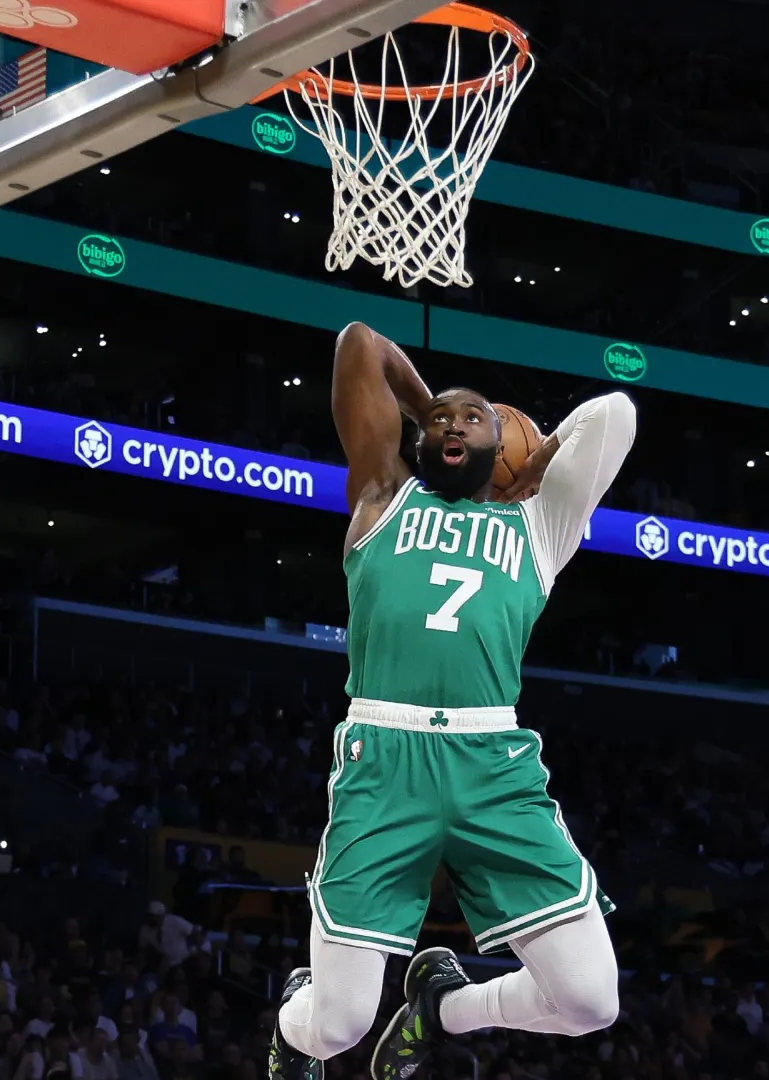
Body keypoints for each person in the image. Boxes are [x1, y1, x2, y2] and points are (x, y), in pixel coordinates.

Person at [270, 323, 633, 1080]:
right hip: (386, 755)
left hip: (491, 761)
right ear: (419, 439)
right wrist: (430, 406)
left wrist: (540, 453)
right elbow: (361, 343)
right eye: (442, 421)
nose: (454, 424)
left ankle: (442, 1008)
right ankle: (294, 1022)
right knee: (336, 1027)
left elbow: (616, 413)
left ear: (506, 448)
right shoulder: (383, 495)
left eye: (475, 418)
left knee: (590, 1000)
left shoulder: (539, 525)